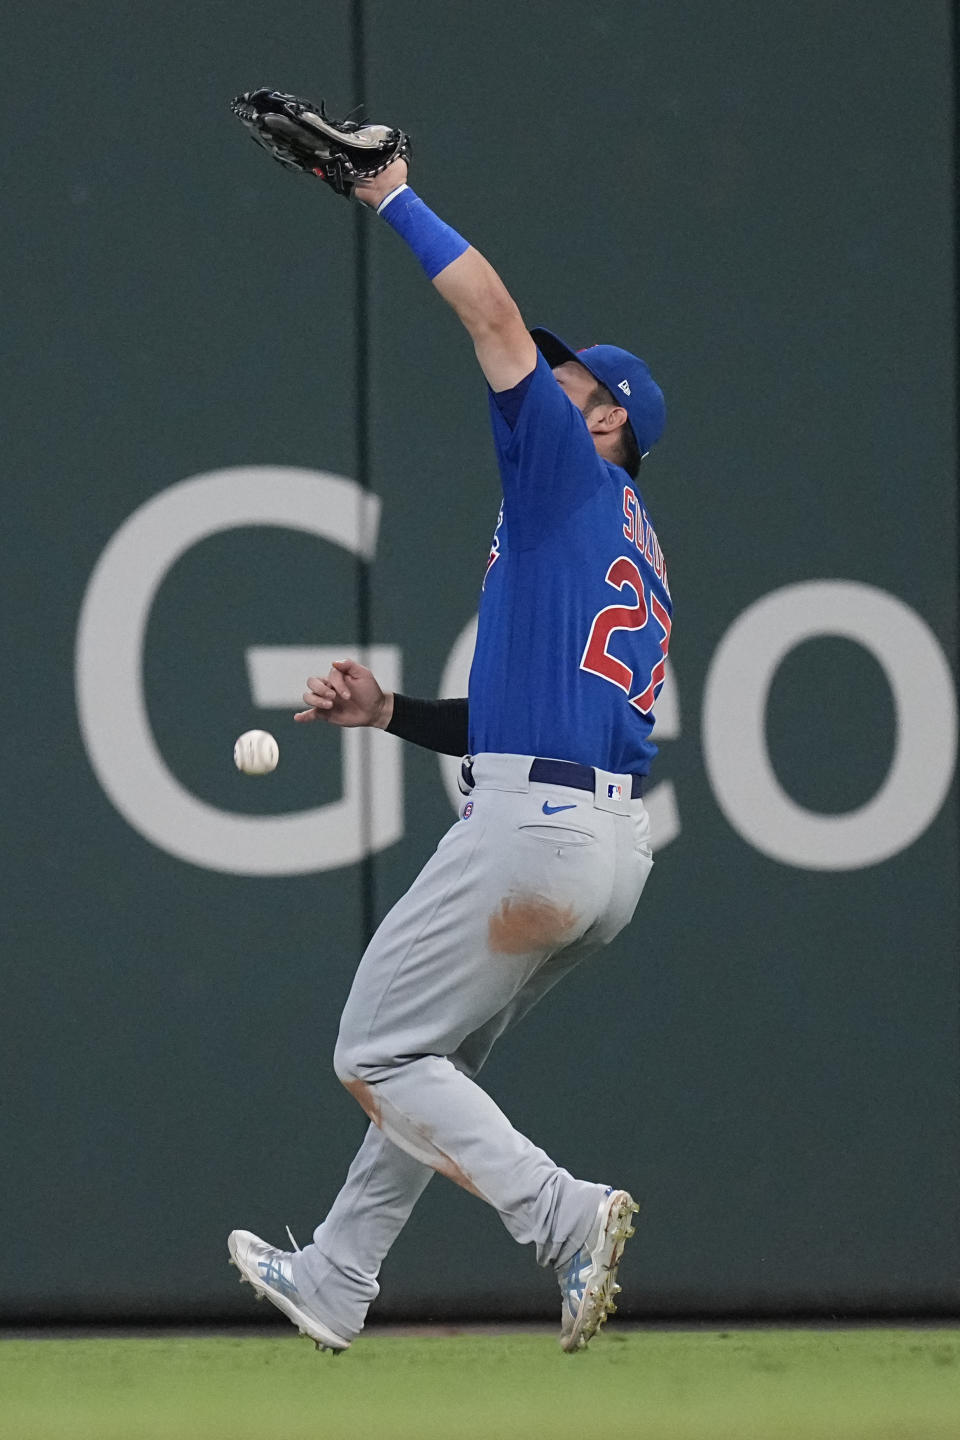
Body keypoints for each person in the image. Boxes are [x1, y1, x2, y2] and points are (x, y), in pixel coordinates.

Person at [228, 151, 671, 1354]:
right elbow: (532, 716)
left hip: (533, 835)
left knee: (373, 1050)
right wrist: (391, 716)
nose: (550, 377)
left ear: (610, 417)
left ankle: (564, 1218)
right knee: (429, 1066)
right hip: (608, 848)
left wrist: (389, 195)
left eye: (575, 379)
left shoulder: (568, 468)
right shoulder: (631, 545)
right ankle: (336, 1276)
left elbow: (488, 312)